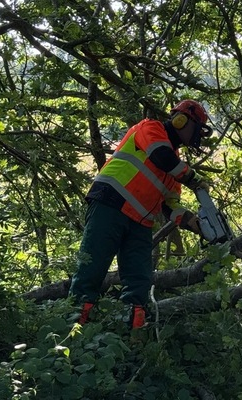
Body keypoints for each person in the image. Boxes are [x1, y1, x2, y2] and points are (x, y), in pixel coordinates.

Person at [69, 99, 212, 329]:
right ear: (181, 120)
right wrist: (194, 179)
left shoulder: (174, 170)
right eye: (195, 130)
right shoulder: (150, 128)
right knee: (91, 272)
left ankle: (130, 339)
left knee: (139, 284)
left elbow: (170, 206)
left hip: (140, 223)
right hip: (110, 203)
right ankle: (72, 332)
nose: (195, 137)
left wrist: (193, 222)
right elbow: (161, 157)